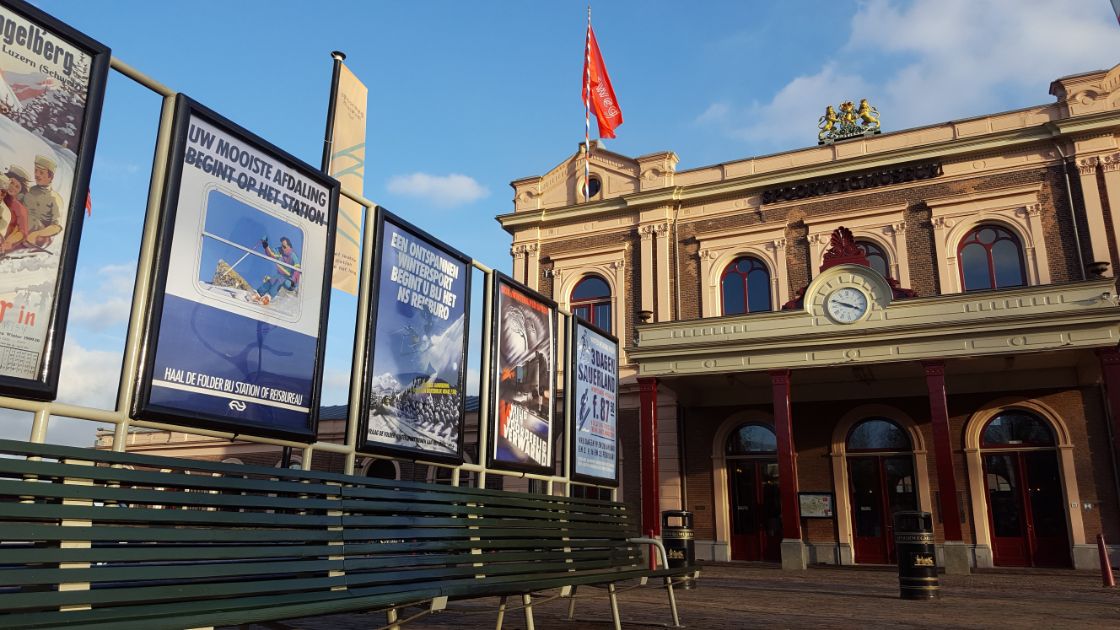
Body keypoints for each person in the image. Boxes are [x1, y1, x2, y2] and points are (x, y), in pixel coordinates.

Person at [21, 155, 64, 248]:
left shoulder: (55, 198)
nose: (37, 175)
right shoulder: (30, 190)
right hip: (21, 229)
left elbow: (57, 227)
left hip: (38, 236)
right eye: (35, 171)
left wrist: (36, 234)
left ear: (50, 177)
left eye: (41, 172)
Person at [253, 235, 300, 305]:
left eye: (284, 247)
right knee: (272, 279)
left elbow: (297, 270)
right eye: (282, 246)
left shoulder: (293, 256)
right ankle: (259, 294)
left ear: (290, 247)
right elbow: (271, 254)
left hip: (290, 282)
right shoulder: (281, 252)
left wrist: (293, 280)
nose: (282, 248)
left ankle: (267, 298)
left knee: (280, 279)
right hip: (280, 275)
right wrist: (265, 245)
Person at [0, 166, 31, 255]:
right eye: (12, 182)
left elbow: (22, 232)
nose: (12, 187)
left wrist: (7, 243)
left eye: (17, 186)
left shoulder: (20, 209)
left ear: (20, 191)